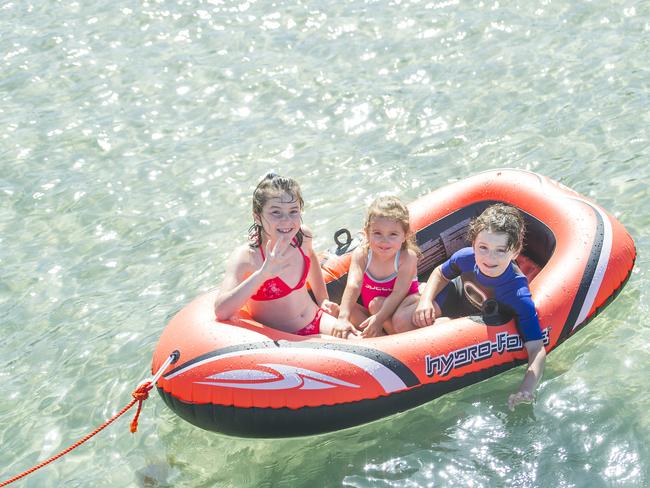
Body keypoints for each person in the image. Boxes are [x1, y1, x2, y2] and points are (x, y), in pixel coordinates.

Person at [412, 203, 547, 410]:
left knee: (437, 327)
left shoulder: (518, 294)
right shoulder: (466, 257)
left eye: (500, 251)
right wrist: (426, 300)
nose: (489, 258)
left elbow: (537, 349)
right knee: (404, 318)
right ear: (474, 243)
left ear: (515, 251)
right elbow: (440, 272)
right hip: (458, 296)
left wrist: (527, 388)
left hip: (478, 323)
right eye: (482, 247)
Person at [214, 173, 359, 339]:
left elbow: (311, 260)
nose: (286, 220)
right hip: (287, 340)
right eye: (276, 212)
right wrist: (263, 274)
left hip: (317, 319)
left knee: (361, 342)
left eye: (293, 211)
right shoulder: (247, 257)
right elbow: (221, 311)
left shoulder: (303, 237)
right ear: (257, 217)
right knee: (351, 351)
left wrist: (322, 300)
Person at [336, 196, 422, 338]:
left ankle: (394, 338)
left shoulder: (407, 257)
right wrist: (342, 318)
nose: (384, 241)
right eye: (377, 233)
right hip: (373, 312)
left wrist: (379, 318)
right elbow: (353, 286)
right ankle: (375, 337)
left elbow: (398, 293)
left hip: (402, 309)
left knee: (376, 305)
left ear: (405, 235)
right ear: (367, 232)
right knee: (344, 309)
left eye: (393, 234)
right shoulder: (362, 255)